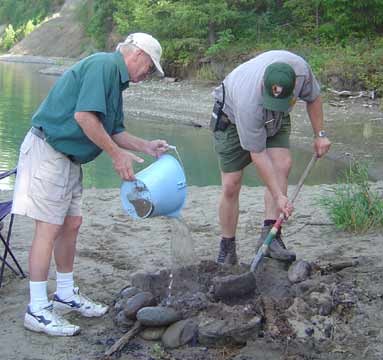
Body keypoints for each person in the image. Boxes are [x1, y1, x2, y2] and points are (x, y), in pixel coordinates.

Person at [12, 32, 170, 336]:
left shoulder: (115, 80)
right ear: (137, 55)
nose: (146, 75)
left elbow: (115, 130)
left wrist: (146, 146)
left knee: (71, 224)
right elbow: (85, 117)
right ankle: (37, 309)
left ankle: (65, 294)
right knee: (48, 228)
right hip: (49, 152)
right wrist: (117, 156)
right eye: (149, 67)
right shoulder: (103, 66)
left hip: (68, 159)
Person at [211, 50, 331, 265]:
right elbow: (258, 154)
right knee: (231, 184)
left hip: (277, 116)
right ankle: (227, 247)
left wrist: (320, 135)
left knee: (282, 165)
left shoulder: (301, 71)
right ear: (264, 87)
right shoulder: (248, 103)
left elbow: (313, 98)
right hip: (232, 119)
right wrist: (279, 196)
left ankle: (271, 237)